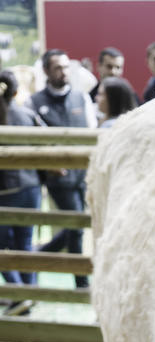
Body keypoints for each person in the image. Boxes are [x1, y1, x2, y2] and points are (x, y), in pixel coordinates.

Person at [28, 49, 97, 289]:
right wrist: (48, 163)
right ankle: (81, 283)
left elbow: (93, 132)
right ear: (46, 70)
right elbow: (30, 142)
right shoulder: (34, 102)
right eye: (58, 67)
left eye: (66, 67)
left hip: (85, 174)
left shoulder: (82, 98)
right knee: (76, 225)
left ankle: (38, 255)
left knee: (76, 224)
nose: (64, 72)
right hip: (58, 176)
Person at [0, 69, 43, 316]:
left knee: (3, 245)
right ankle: (31, 292)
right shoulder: (27, 114)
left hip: (4, 191)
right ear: (16, 91)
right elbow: (49, 142)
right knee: (25, 243)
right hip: (30, 187)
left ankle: (19, 292)